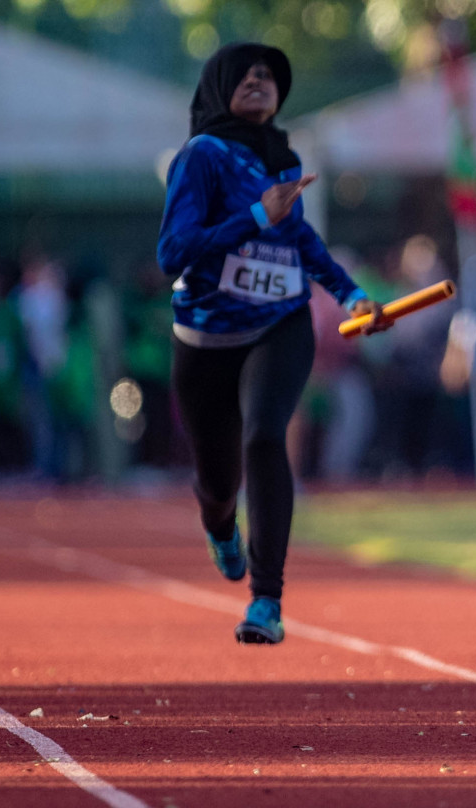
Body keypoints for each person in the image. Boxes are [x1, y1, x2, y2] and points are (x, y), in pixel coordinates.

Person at [157, 41, 390, 645]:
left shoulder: (284, 162)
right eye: (247, 74)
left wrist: (353, 295)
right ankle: (219, 523)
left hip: (279, 323)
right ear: (219, 86)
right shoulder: (200, 157)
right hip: (205, 335)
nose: (261, 81)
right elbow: (172, 253)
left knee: (265, 434)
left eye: (270, 76)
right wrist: (256, 217)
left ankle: (267, 599)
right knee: (215, 480)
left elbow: (301, 242)